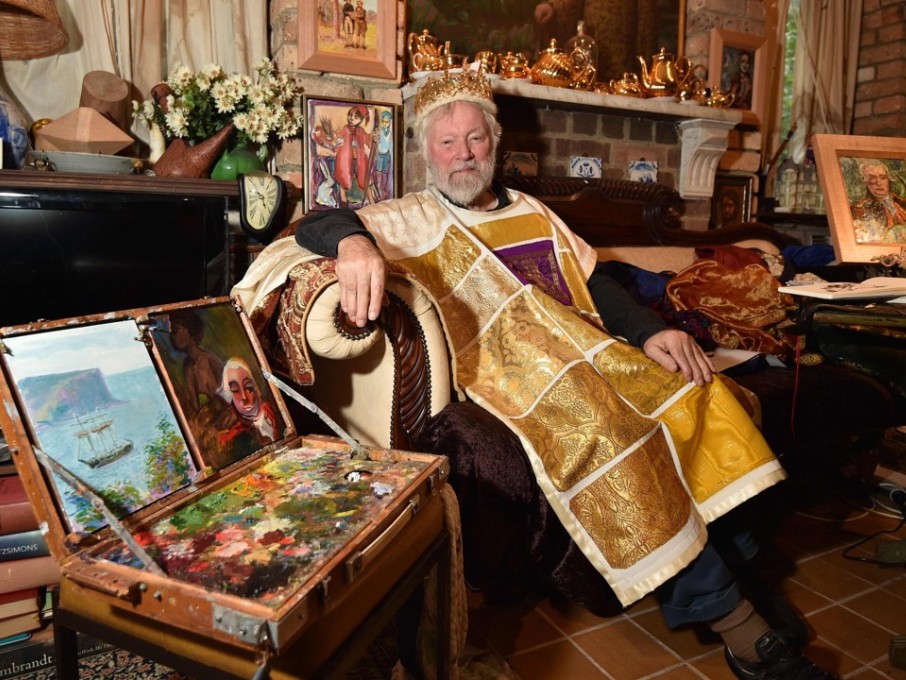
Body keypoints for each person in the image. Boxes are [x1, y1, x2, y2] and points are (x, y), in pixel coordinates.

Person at [234, 70, 836, 679]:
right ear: (425, 153)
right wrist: (354, 246)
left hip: (595, 357)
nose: (463, 154)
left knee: (695, 394)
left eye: (475, 139)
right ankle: (740, 625)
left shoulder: (534, 211)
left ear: (495, 145)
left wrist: (652, 330)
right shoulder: (410, 217)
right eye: (447, 142)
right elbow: (310, 225)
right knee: (616, 438)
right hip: (515, 384)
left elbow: (594, 280)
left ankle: (746, 576)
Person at [216, 357, 279, 462]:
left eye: (249, 387)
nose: (244, 397)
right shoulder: (237, 434)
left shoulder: (273, 412)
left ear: (256, 388)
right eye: (235, 390)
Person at [849, 159, 906, 244]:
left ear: (889, 180)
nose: (878, 183)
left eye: (883, 178)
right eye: (872, 178)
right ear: (865, 182)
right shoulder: (858, 209)